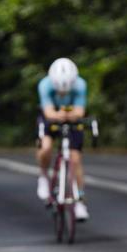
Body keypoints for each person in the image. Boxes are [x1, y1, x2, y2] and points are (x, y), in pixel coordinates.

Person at [36, 57, 90, 221]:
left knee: (75, 159)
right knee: (45, 147)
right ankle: (43, 176)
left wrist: (67, 115)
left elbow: (80, 111)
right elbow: (48, 112)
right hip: (51, 117)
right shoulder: (45, 85)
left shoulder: (80, 84)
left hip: (71, 118)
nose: (63, 93)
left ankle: (80, 201)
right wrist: (60, 115)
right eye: (59, 90)